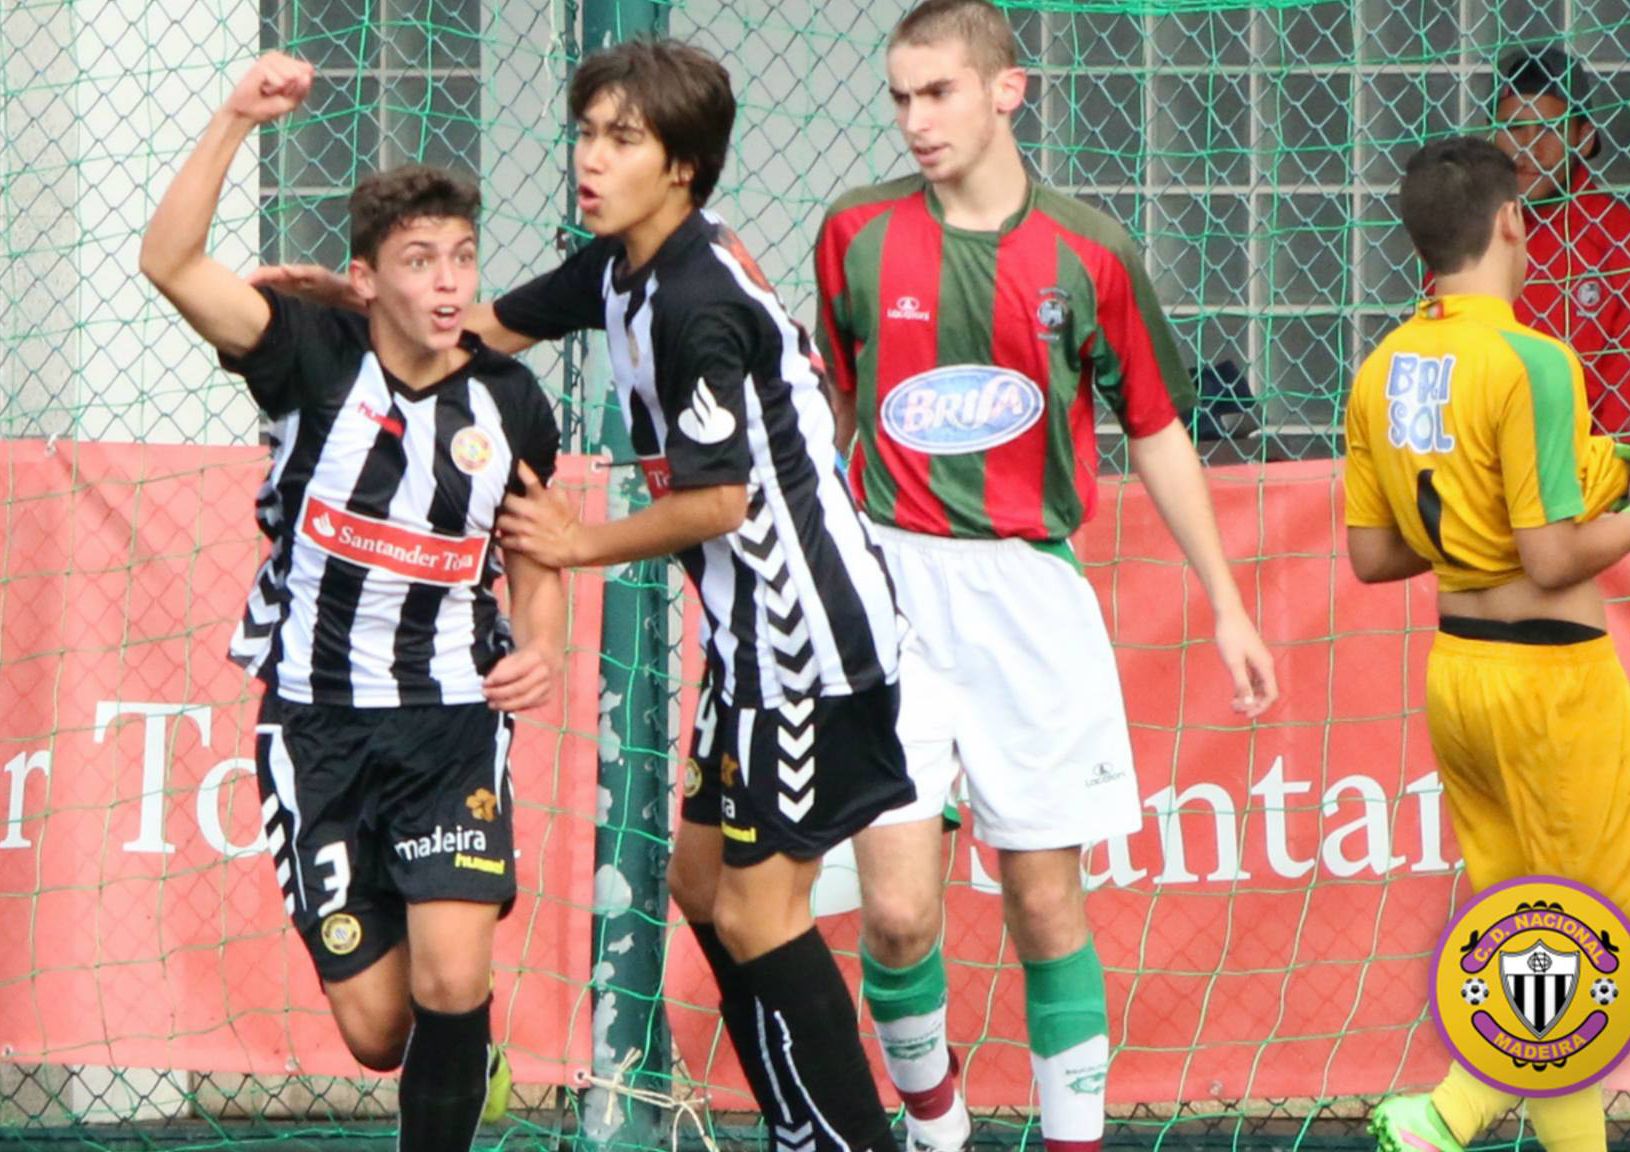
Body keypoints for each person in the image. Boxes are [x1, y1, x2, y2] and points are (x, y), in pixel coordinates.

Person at [253, 38, 917, 1152]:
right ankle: (805, 1129)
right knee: (702, 889)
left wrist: (579, 542)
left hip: (810, 640)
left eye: (622, 139)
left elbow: (718, 502)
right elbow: (481, 330)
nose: (590, 158)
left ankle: (847, 1142)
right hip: (749, 643)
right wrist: (361, 315)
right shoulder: (620, 264)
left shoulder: (695, 299)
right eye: (587, 133)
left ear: (683, 167)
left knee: (759, 913)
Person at [812, 4, 1279, 1151]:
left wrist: (1225, 603)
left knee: (1040, 902)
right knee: (895, 914)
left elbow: (1155, 427)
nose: (915, 120)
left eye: (938, 92)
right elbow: (834, 410)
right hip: (888, 595)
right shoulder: (856, 232)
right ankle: (936, 1128)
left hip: (1027, 598)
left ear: (1005, 91)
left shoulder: (1089, 250)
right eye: (900, 97)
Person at [140, 52, 566, 1150]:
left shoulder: (510, 401)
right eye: (419, 261)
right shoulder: (307, 355)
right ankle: (462, 1057)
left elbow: (536, 550)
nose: (447, 282)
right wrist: (236, 115)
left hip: (450, 719)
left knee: (452, 979)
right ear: (366, 280)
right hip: (315, 724)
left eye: (462, 258)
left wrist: (541, 640)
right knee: (382, 1033)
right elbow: (169, 261)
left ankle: (456, 1051)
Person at [1346, 135, 1630, 1152]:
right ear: (1514, 220)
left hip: (1459, 675)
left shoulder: (1381, 366)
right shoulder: (1533, 360)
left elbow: (1372, 554)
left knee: (1537, 932)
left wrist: (1472, 528)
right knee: (1592, 932)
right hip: (1551, 682)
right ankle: (1449, 1114)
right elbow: (1551, 557)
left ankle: (1458, 1117)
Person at [1490, 46, 1630, 436]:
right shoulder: (1473, 230)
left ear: (1583, 138)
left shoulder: (1618, 237)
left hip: (1584, 467)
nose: (1528, 148)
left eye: (1549, 129)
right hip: (1479, 463)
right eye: (1513, 127)